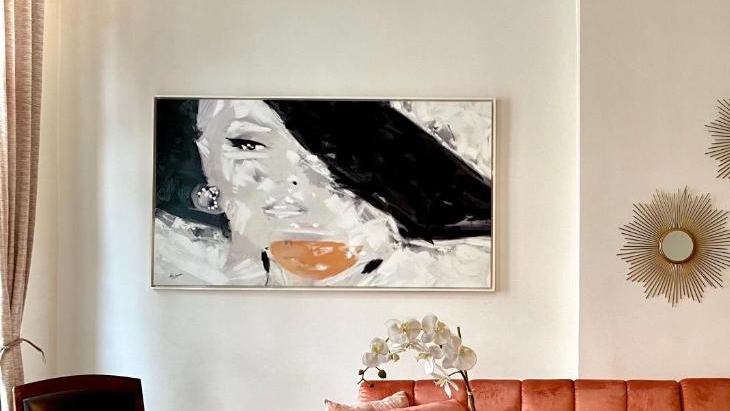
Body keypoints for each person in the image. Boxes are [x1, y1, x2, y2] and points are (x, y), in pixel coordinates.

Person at [152, 98, 493, 287]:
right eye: (249, 144)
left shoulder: (448, 268)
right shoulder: (185, 261)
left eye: (315, 153)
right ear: (207, 158)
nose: (291, 178)